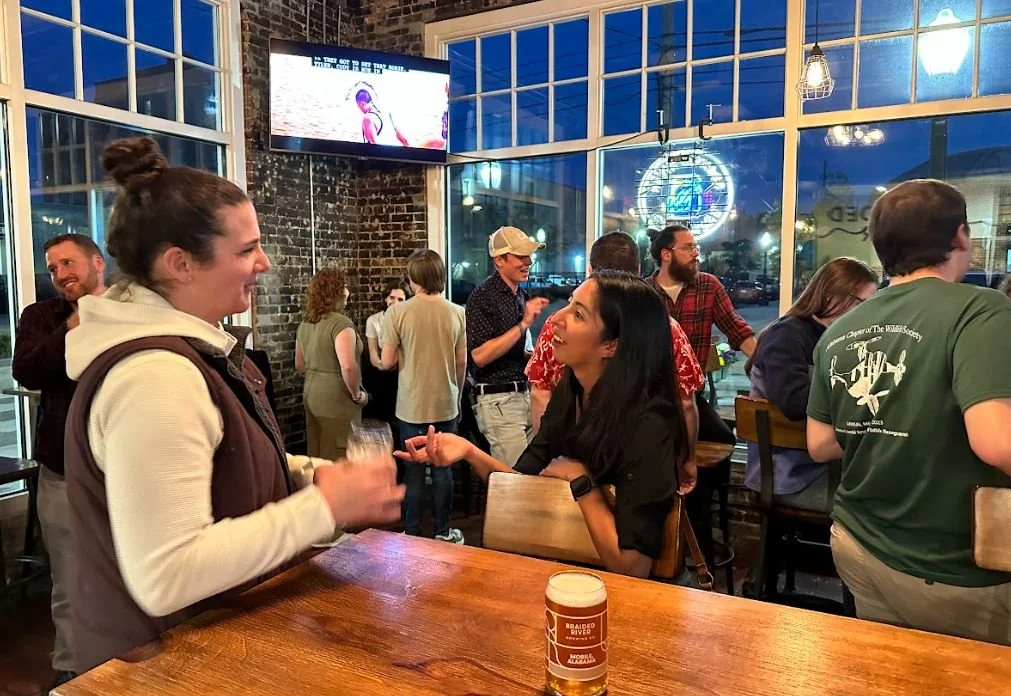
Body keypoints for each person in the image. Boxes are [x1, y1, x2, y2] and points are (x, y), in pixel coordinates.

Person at [64, 137, 404, 673]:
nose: (263, 263)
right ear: (181, 264)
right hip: (163, 668)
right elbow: (165, 575)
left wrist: (311, 476)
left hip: (214, 647)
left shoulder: (186, 354)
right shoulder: (155, 376)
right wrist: (326, 507)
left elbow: (219, 465)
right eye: (246, 249)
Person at [807, 179, 1011, 645]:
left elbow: (820, 444)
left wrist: (891, 417)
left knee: (891, 673)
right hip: (956, 566)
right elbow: (997, 442)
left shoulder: (841, 329)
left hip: (859, 548)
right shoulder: (982, 309)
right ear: (961, 236)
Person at [399, 271, 691, 578]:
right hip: (564, 578)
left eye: (578, 314)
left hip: (625, 599)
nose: (555, 319)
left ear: (612, 346)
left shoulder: (650, 426)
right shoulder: (572, 390)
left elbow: (632, 566)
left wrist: (581, 482)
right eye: (568, 304)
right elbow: (520, 486)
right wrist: (468, 451)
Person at [527, 232, 704, 492]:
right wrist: (687, 458)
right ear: (639, 271)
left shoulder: (559, 329)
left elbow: (540, 392)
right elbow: (685, 402)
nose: (557, 318)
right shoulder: (667, 328)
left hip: (591, 469)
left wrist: (552, 456)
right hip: (623, 467)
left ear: (590, 269)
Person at [12, 233, 107, 688]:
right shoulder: (42, 317)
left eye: (68, 263)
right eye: (52, 268)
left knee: (128, 574)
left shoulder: (126, 314)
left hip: (123, 472)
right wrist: (73, 326)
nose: (60, 274)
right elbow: (26, 369)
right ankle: (71, 672)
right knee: (68, 577)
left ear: (97, 262)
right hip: (62, 467)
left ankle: (128, 667)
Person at [744, 257, 878, 512]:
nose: (867, 314)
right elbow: (794, 402)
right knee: (881, 504)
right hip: (788, 477)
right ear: (832, 295)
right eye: (863, 303)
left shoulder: (837, 336)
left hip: (820, 468)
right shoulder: (787, 334)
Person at [380, 250, 466, 543]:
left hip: (411, 404)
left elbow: (387, 360)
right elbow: (461, 361)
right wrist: (457, 394)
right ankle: (443, 531)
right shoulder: (457, 312)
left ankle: (411, 533)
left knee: (413, 472)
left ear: (413, 277)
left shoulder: (397, 312)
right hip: (445, 401)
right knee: (443, 471)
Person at [646, 225, 756, 445]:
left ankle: (700, 480)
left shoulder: (708, 286)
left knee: (723, 440)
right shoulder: (643, 292)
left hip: (691, 397)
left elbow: (736, 329)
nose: (696, 253)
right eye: (688, 248)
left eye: (695, 247)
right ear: (666, 255)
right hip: (649, 400)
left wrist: (769, 363)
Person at [465, 226, 549, 467]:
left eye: (529, 256)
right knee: (518, 483)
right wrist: (523, 325)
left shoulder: (519, 296)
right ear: (499, 260)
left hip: (523, 395)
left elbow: (510, 351)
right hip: (498, 399)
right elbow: (479, 356)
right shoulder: (482, 296)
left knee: (534, 475)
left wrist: (538, 358)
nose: (529, 261)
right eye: (521, 256)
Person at [296, 268, 367, 460]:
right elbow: (348, 366)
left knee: (317, 453)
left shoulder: (306, 323)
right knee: (340, 454)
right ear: (335, 292)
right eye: (344, 287)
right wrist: (357, 394)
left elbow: (300, 365)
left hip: (311, 392)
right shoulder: (341, 324)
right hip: (337, 398)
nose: (347, 292)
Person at [365, 281, 410, 370]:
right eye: (392, 298)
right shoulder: (373, 321)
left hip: (406, 369)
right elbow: (373, 351)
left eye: (400, 299)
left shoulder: (410, 321)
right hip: (383, 370)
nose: (395, 303)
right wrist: (380, 365)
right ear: (386, 299)